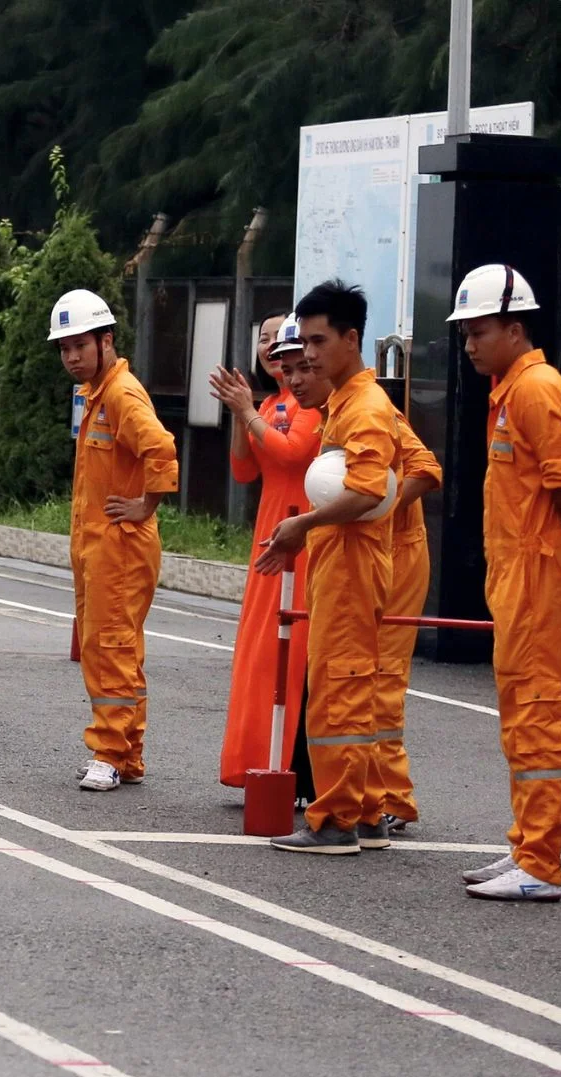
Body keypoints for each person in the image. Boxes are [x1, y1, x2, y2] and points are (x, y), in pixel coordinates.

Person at [448, 264, 561, 901]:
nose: (469, 345)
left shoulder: (535, 391)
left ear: (515, 328)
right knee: (522, 714)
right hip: (522, 576)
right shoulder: (515, 389)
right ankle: (526, 848)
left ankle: (540, 862)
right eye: (465, 334)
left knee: (539, 716)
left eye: (478, 331)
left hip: (540, 575)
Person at [256, 281, 398, 855]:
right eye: (304, 341)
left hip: (352, 564)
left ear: (352, 339)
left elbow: (366, 492)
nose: (306, 354)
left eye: (318, 341)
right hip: (347, 561)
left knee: (338, 693)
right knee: (351, 692)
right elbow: (412, 470)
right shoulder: (350, 402)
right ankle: (365, 811)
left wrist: (304, 525)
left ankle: (335, 820)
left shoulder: (363, 406)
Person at [55, 288, 178, 790]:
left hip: (119, 546)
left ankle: (108, 750)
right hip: (98, 544)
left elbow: (162, 447)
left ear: (106, 341)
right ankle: (126, 753)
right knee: (110, 647)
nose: (71, 356)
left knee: (112, 646)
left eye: (80, 345)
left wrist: (146, 505)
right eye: (64, 348)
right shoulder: (96, 395)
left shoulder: (121, 394)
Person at [210, 312, 318, 785]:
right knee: (259, 651)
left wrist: (248, 413)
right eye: (268, 346)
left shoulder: (314, 406)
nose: (277, 357)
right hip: (271, 527)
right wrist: (243, 413)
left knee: (292, 653)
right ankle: (254, 759)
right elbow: (243, 472)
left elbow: (293, 453)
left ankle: (290, 764)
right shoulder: (270, 402)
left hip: (304, 533)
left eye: (287, 350)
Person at [368, 411, 441, 833]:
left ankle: (394, 796)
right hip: (359, 554)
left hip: (397, 554)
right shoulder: (330, 410)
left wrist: (381, 506)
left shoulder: (375, 409)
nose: (298, 375)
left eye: (306, 362)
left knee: (382, 677)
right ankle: (363, 789)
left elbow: (427, 470)